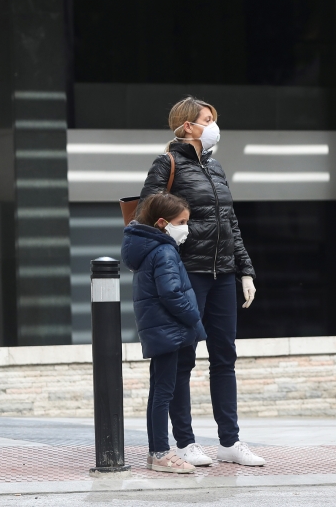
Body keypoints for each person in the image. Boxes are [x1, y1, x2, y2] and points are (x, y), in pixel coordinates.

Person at [139, 96, 264, 467]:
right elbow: (150, 213)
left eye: (213, 119)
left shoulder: (215, 167)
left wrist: (245, 269)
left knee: (225, 358)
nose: (213, 126)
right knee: (183, 361)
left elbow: (231, 223)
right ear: (187, 126)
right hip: (187, 273)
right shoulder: (167, 163)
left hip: (222, 274)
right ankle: (185, 442)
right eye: (206, 119)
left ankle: (230, 441)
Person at [121, 192, 209, 473]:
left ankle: (155, 452)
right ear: (162, 222)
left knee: (158, 391)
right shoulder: (164, 250)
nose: (186, 227)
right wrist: (194, 316)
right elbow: (171, 293)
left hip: (160, 330)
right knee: (164, 393)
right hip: (169, 331)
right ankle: (160, 453)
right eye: (182, 221)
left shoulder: (148, 248)